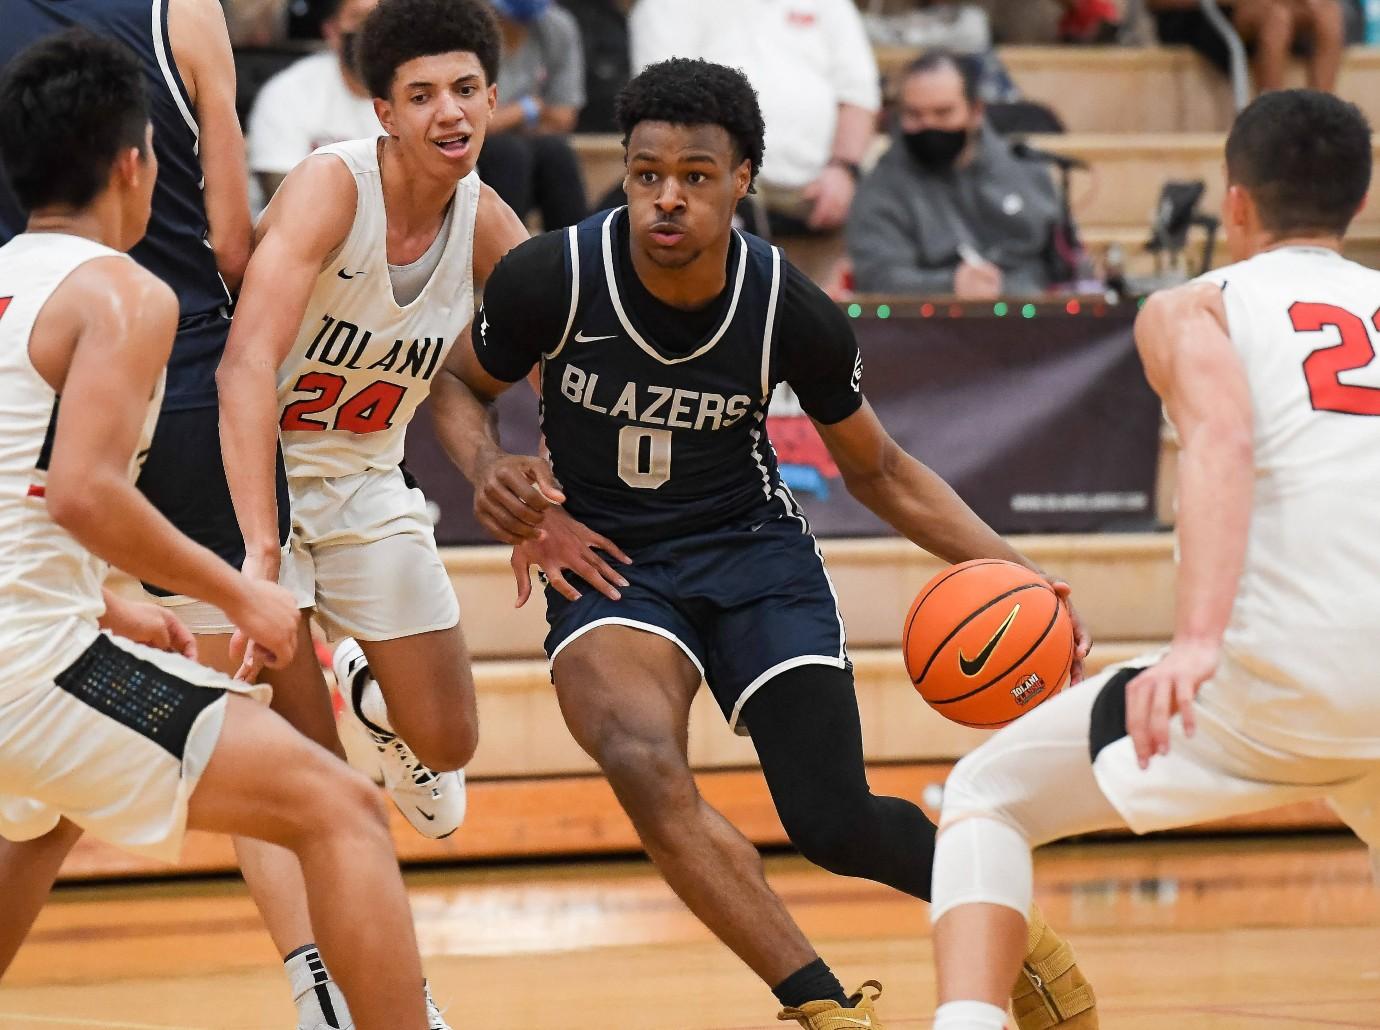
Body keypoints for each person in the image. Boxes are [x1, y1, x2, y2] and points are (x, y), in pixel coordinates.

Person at [432, 57, 1098, 1030]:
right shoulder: (554, 274)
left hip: (752, 550)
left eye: (696, 176)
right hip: (612, 561)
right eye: (646, 171)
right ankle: (825, 1009)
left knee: (834, 822)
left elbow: (883, 471)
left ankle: (1019, 935)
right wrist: (490, 467)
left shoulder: (790, 305)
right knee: (636, 754)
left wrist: (1021, 574)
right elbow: (458, 387)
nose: (667, 197)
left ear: (743, 178)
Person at [0, 30, 432, 1030]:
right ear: (135, 163)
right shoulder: (124, 290)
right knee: (341, 808)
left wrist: (108, 599)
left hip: (33, 646)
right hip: (32, 667)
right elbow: (83, 495)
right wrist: (243, 591)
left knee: (42, 822)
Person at [926, 88, 1380, 1030]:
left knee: (987, 794)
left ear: (1237, 201)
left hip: (1270, 682)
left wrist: (1195, 644)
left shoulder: (1193, 306)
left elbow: (1221, 436)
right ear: (1359, 204)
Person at [218, 0, 538, 964]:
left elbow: (566, 363)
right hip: (254, 472)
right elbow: (242, 368)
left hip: (364, 478)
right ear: (383, 111)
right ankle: (345, 989)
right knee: (313, 782)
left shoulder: (487, 219)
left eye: (468, 89)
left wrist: (552, 500)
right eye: (423, 93)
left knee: (449, 744)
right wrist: (256, 550)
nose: (451, 111)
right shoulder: (330, 187)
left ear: (493, 96)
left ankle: (374, 696)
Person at [629, 0, 879, 237]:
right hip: (716, 183)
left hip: (821, 184)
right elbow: (667, 104)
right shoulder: (664, 6)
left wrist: (843, 169)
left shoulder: (830, 5)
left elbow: (859, 96)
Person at [847, 51, 1071, 298]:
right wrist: (950, 286)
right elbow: (877, 279)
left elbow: (1065, 266)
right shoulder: (881, 187)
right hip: (924, 327)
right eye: (914, 115)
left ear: (975, 111)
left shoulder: (1026, 171)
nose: (928, 125)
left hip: (1034, 319)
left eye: (943, 113)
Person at [246, 0, 384, 204]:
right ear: (332, 31)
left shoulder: (420, 93)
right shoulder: (288, 93)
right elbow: (283, 198)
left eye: (382, 18)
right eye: (360, 19)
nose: (373, 30)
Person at [476, 0, 589, 230]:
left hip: (531, 146)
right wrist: (526, 109)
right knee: (509, 153)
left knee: (557, 152)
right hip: (479, 151)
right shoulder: (466, 28)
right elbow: (469, 122)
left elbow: (564, 117)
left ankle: (575, 259)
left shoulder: (557, 26)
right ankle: (503, 257)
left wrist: (503, 118)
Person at [1148, 0, 1347, 95]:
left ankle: (1322, 121)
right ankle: (1274, 123)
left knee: (1327, 11)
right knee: (1276, 19)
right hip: (1200, 16)